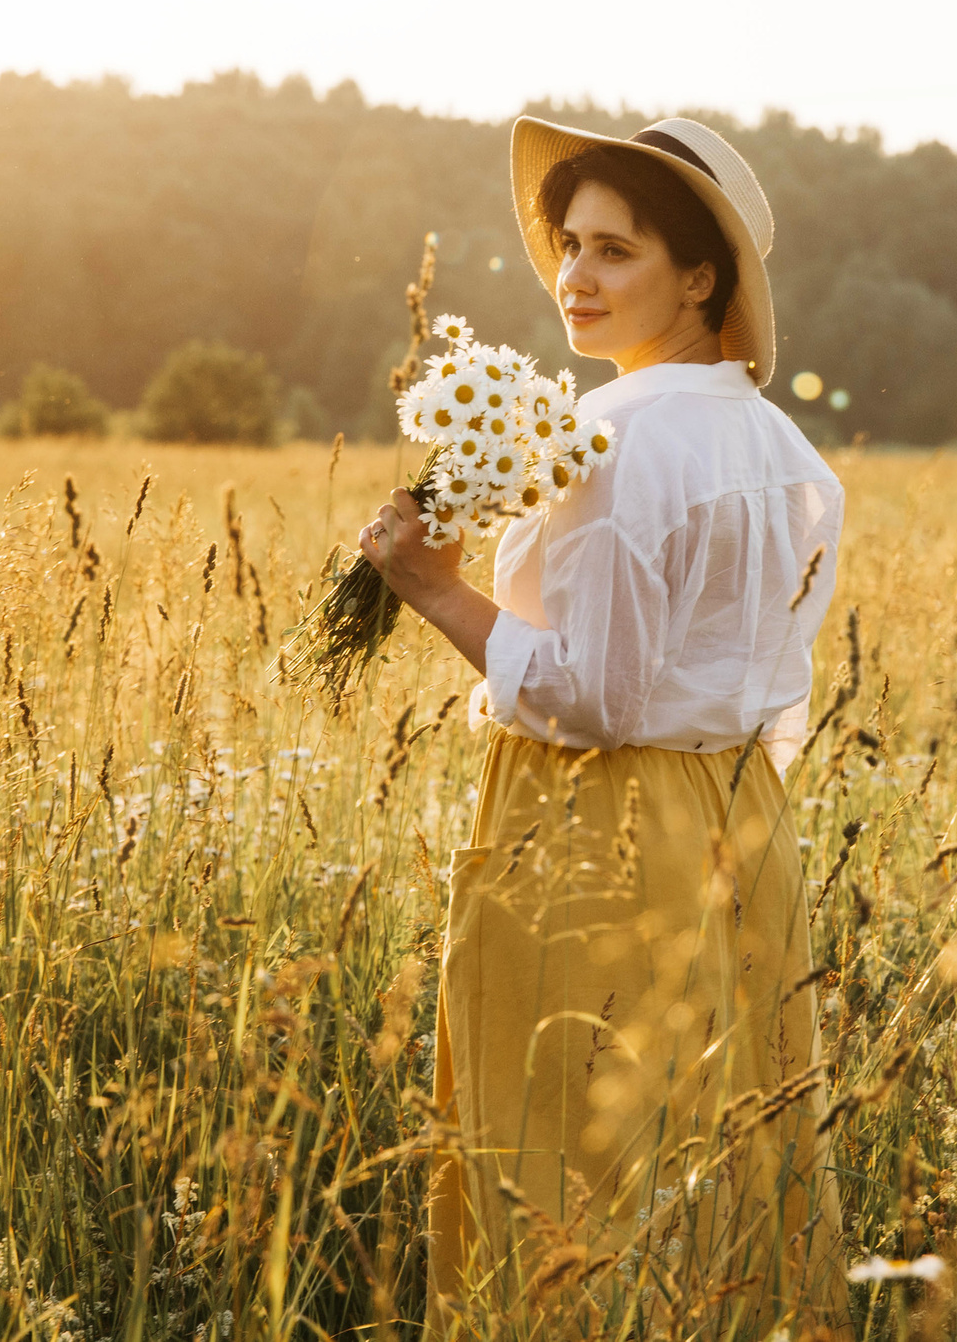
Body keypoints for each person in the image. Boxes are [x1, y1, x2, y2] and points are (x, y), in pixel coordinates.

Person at [359, 116, 848, 1337]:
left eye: (615, 252)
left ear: (700, 278)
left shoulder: (620, 442)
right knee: (728, 1156)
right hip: (739, 825)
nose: (575, 277)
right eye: (569, 245)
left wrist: (436, 592)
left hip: (591, 831)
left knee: (563, 1170)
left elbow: (593, 699)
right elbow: (752, 680)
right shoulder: (786, 450)